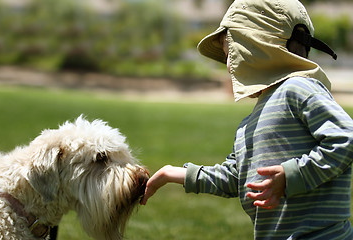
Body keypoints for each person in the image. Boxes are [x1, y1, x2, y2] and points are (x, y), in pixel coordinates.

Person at [140, 0, 353, 239]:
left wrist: (292, 176)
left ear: (258, 46)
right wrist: (175, 173)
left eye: (231, 53)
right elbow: (235, 178)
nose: (228, 66)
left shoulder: (298, 88)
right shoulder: (247, 125)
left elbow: (345, 138)